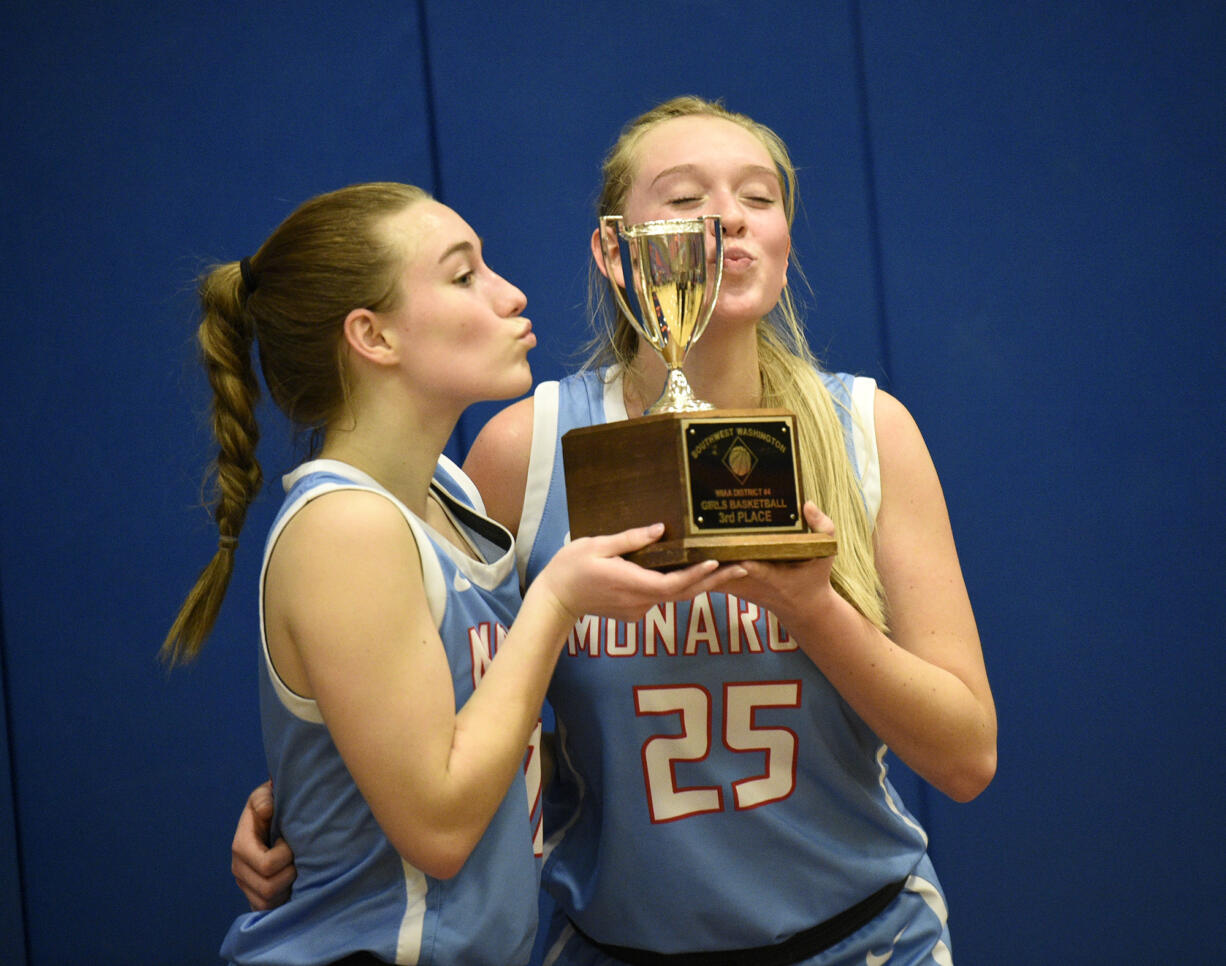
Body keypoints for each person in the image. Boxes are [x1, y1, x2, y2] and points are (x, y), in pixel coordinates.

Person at [233, 97, 998, 965]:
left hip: (861, 937)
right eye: (683, 200)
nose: (726, 219)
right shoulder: (527, 449)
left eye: (758, 197)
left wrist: (816, 611)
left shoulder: (867, 428)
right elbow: (454, 695)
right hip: (618, 945)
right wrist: (315, 792)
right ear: (614, 251)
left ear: (786, 248)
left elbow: (967, 756)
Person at [164, 181, 742, 966]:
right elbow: (437, 829)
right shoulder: (345, 526)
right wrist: (557, 600)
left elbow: (442, 735)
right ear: (373, 335)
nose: (511, 294)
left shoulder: (451, 492)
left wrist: (308, 796)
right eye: (464, 275)